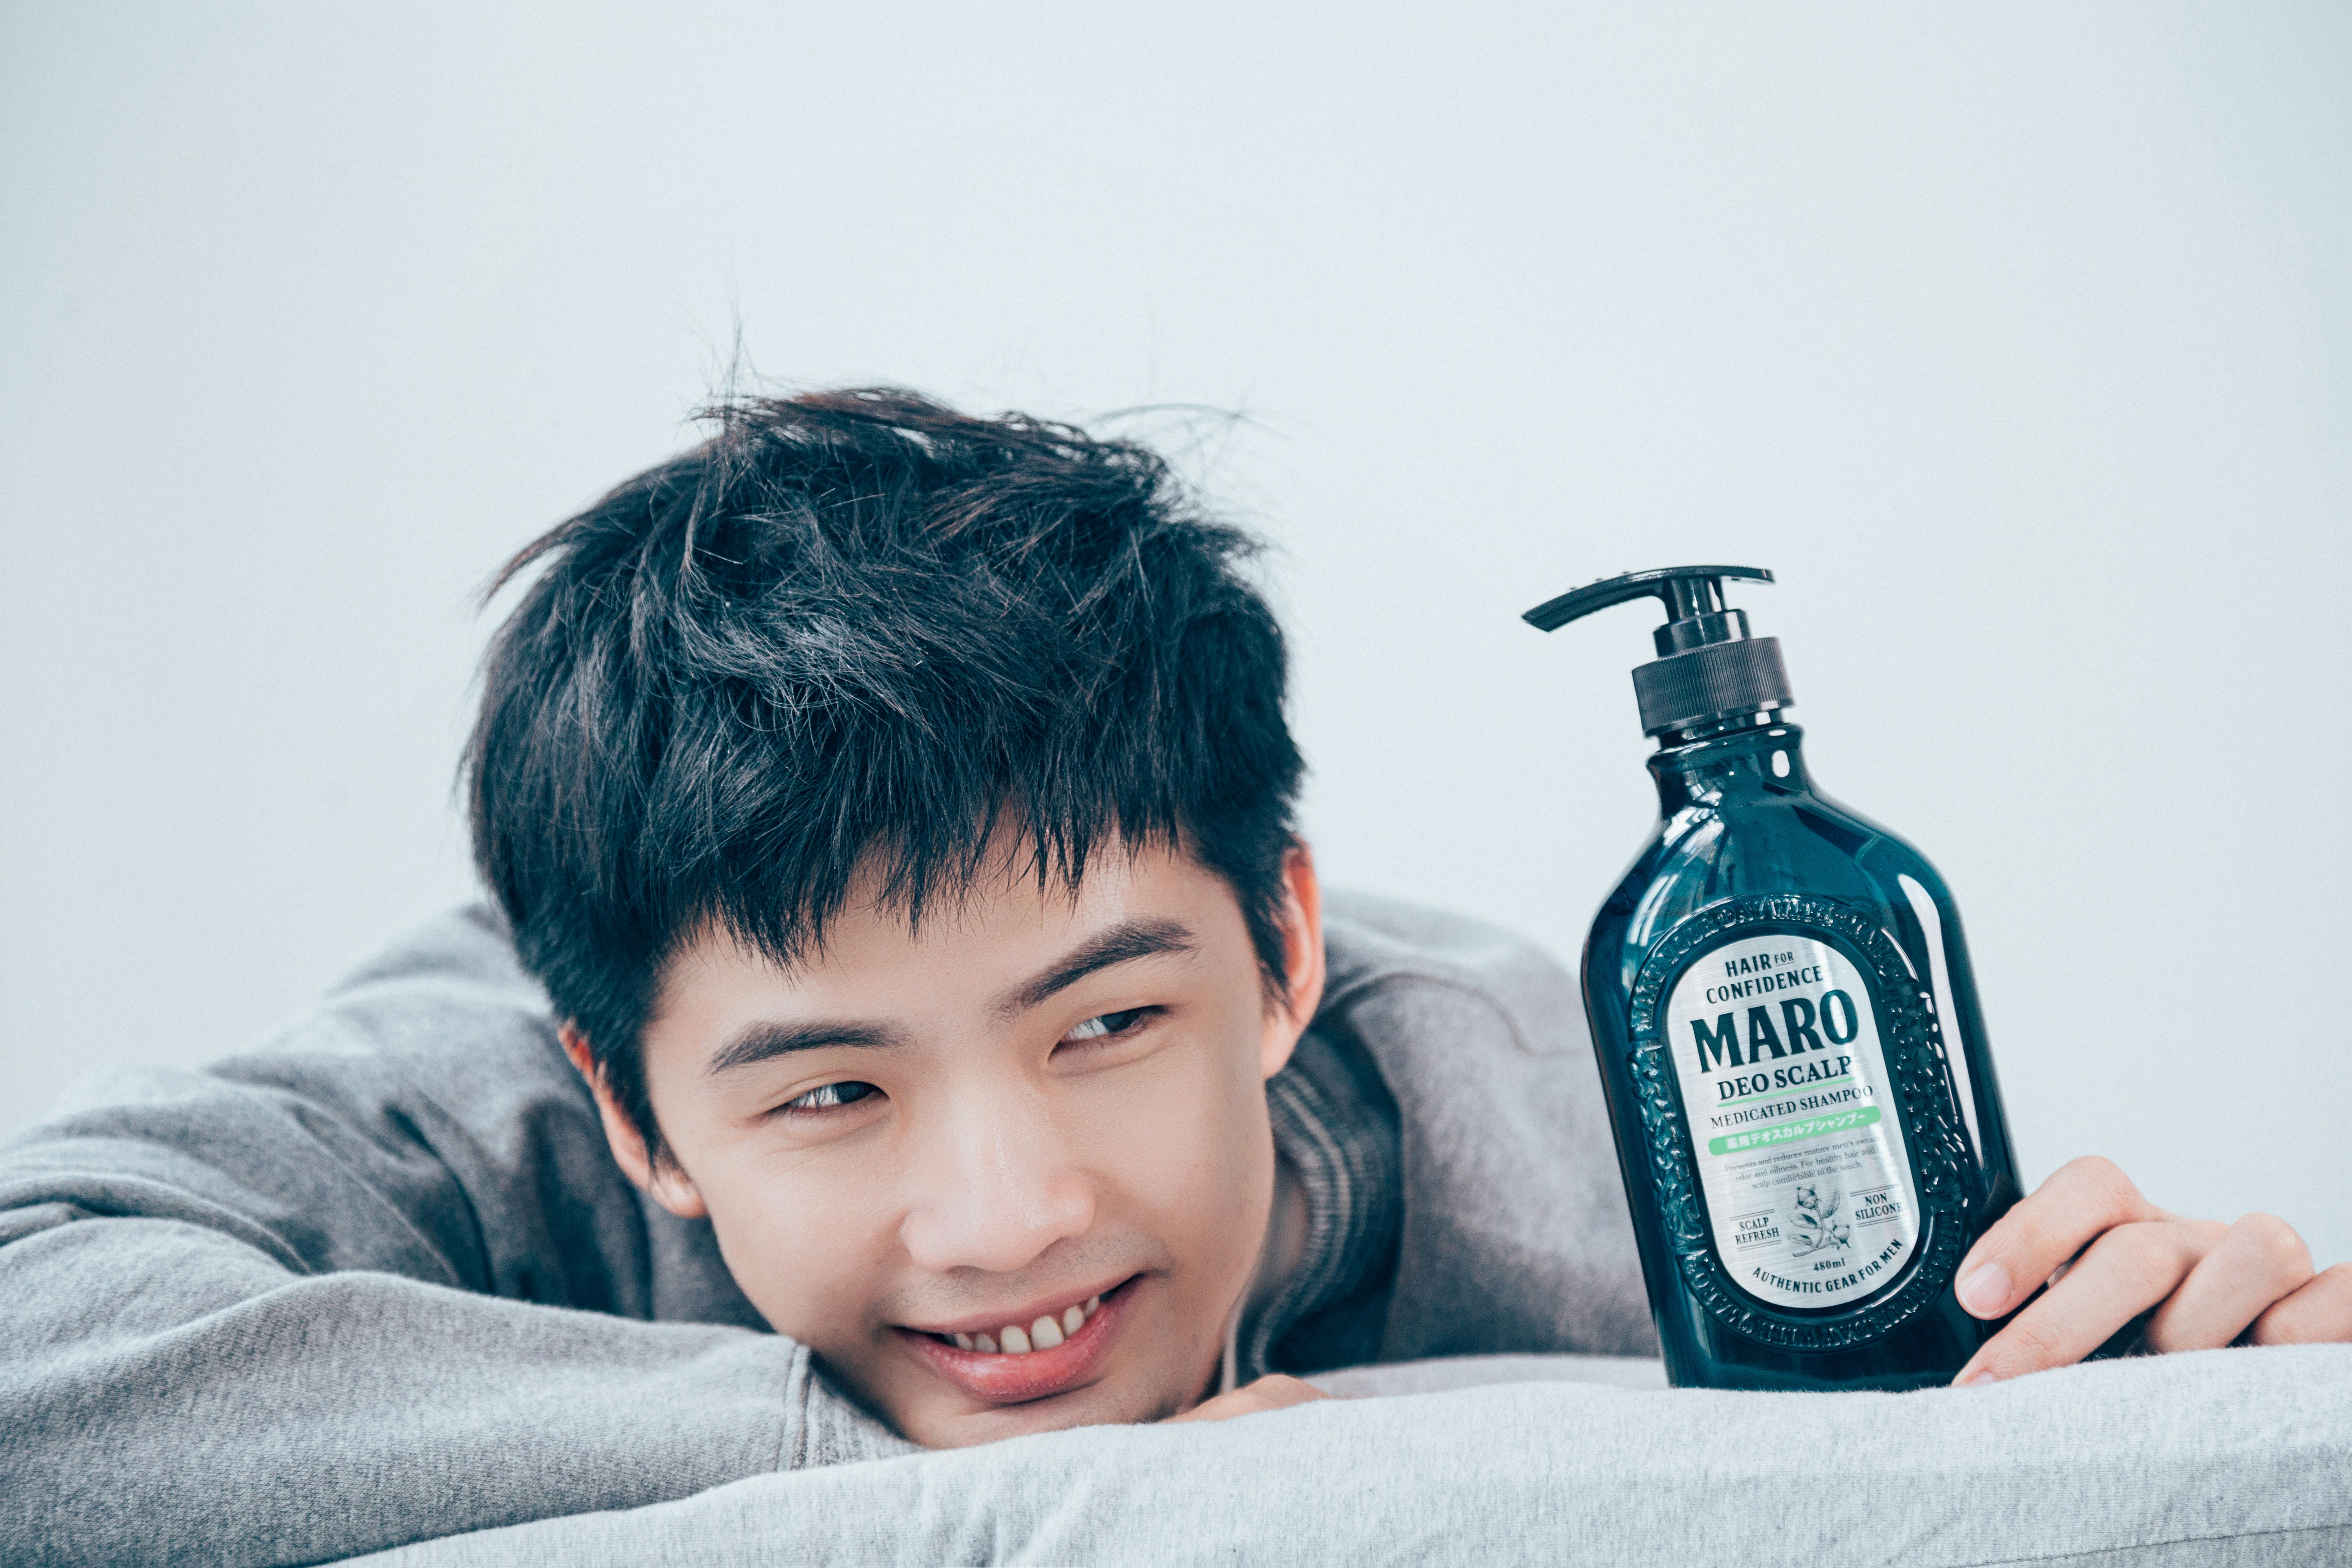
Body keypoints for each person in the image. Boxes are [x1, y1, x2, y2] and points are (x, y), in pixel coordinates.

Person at [3, 389, 2346, 1566]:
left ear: (1288, 950)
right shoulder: (481, 1098)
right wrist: (816, 1464)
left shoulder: (1567, 1101)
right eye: (830, 1095)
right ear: (624, 1102)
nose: (1009, 1213)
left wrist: (2155, 1370)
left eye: (1108, 1022)